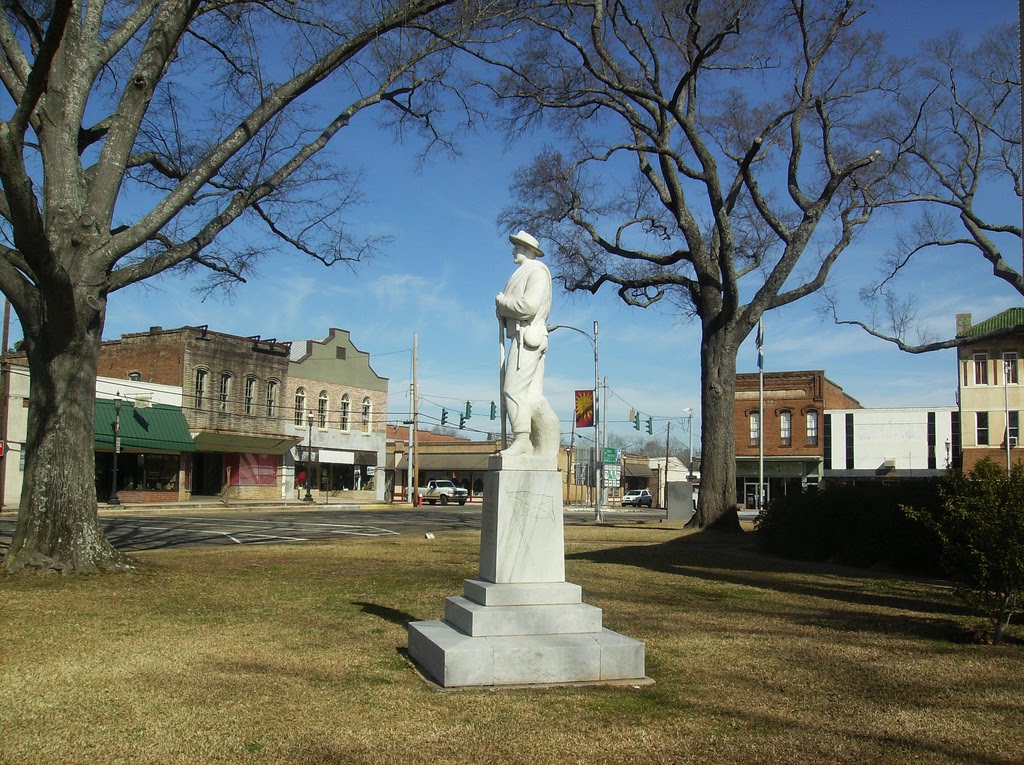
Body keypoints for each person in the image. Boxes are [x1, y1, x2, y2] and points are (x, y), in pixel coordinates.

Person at [496, 230, 560, 459]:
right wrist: (503, 313)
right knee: (532, 396)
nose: (514, 250)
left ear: (526, 249)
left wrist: (503, 303)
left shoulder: (537, 272)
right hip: (521, 335)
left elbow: (528, 306)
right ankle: (540, 444)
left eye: (517, 246)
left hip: (528, 338)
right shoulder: (524, 272)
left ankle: (522, 439)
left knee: (512, 389)